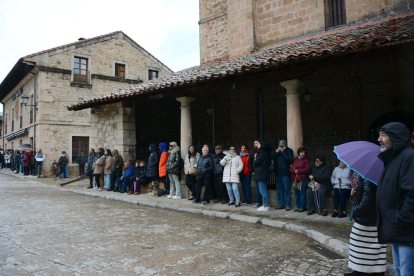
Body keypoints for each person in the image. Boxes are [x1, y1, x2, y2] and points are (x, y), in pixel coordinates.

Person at [377, 122, 414, 276]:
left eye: (383, 135)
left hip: (405, 228)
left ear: (395, 137)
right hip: (396, 227)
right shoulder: (393, 157)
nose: (379, 139)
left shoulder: (409, 156)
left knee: (406, 271)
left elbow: (411, 193)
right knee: (399, 270)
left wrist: (400, 218)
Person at [345, 172, 386, 276]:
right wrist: (356, 193)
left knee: (358, 245)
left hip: (366, 220)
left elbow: (367, 203)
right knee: (375, 248)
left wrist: (355, 210)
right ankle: (372, 271)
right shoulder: (373, 179)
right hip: (374, 219)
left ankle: (360, 272)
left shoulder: (368, 181)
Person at [273, 140, 294, 211]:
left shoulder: (289, 151)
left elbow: (289, 160)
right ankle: (281, 204)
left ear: (286, 145)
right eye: (280, 146)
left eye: (282, 146)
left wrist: (282, 152)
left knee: (286, 190)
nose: (281, 147)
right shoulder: (278, 151)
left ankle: (287, 205)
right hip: (278, 173)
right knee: (279, 189)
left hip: (285, 173)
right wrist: (276, 153)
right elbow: (273, 158)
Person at [289, 147, 310, 212]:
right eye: (301, 152)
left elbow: (307, 169)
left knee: (302, 193)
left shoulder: (306, 160)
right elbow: (290, 168)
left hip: (302, 179)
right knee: (296, 193)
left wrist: (298, 171)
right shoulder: (294, 160)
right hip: (294, 178)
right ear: (299, 153)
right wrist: (294, 171)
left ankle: (302, 206)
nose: (302, 154)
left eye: (304, 152)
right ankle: (298, 205)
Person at [254, 140, 272, 211]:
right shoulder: (262, 153)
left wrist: (255, 161)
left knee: (263, 190)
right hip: (261, 173)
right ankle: (265, 204)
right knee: (262, 190)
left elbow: (256, 163)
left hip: (262, 173)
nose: (257, 145)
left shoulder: (263, 153)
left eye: (258, 144)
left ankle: (266, 205)